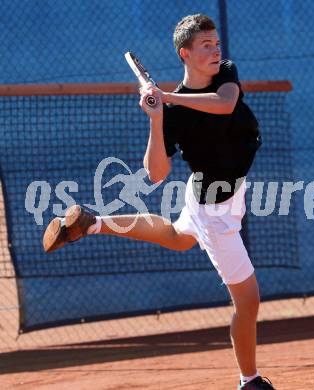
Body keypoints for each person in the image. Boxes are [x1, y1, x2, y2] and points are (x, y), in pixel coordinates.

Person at [42, 14, 275, 390]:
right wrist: (156, 118)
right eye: (206, 46)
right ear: (186, 53)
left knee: (179, 236)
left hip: (223, 197)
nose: (216, 50)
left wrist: (166, 97)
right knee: (248, 302)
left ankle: (92, 221)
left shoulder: (225, 74)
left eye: (216, 44)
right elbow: (156, 172)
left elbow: (225, 105)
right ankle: (249, 381)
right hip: (213, 210)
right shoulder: (172, 115)